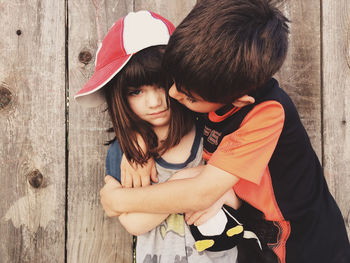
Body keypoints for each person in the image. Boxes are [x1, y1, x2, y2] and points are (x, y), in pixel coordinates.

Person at [99, 1, 350, 263]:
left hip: (304, 247)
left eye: (187, 97)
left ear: (237, 100)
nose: (172, 95)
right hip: (255, 242)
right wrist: (135, 140)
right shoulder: (210, 85)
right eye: (173, 81)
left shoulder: (267, 113)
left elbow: (201, 191)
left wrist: (120, 201)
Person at [75, 10, 248, 263]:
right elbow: (134, 223)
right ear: (118, 97)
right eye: (136, 91)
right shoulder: (126, 153)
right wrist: (192, 187)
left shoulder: (210, 133)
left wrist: (152, 197)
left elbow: (240, 197)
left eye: (162, 85)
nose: (154, 101)